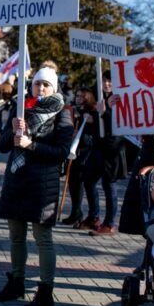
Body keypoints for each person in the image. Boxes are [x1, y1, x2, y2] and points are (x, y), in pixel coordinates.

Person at [0, 66, 74, 306]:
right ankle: (16, 282)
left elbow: (61, 153)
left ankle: (45, 291)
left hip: (42, 184)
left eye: (46, 85)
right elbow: (3, 146)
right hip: (17, 180)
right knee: (16, 236)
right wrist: (14, 129)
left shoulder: (63, 113)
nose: (41, 89)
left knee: (42, 239)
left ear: (54, 88)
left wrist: (31, 144)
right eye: (37, 84)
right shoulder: (22, 108)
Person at [84, 73, 126, 236]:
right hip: (98, 148)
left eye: (110, 81)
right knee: (88, 181)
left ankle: (109, 224)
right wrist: (92, 116)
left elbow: (119, 123)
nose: (107, 84)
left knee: (109, 186)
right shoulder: (97, 97)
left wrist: (104, 112)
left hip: (112, 148)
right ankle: (94, 217)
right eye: (104, 80)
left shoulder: (120, 98)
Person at [62, 86, 95, 226]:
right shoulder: (75, 112)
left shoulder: (90, 114)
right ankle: (75, 212)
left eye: (82, 96)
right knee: (72, 183)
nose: (79, 99)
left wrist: (81, 135)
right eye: (78, 96)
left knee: (79, 184)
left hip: (84, 154)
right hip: (73, 152)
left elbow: (92, 138)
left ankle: (80, 214)